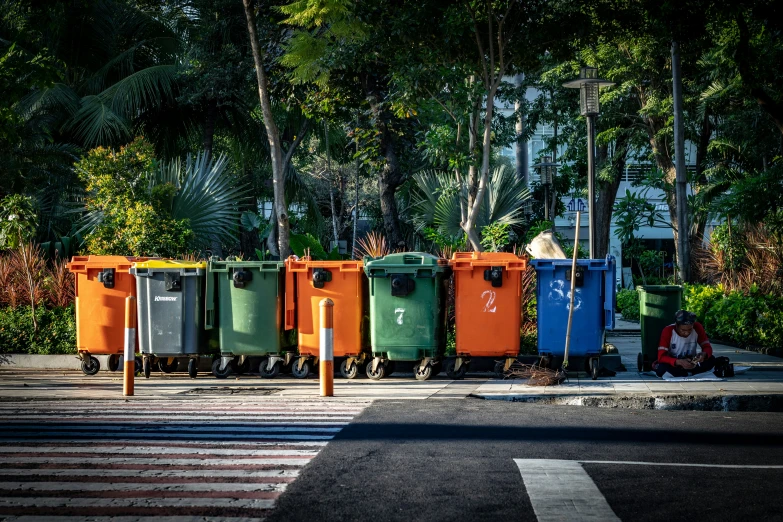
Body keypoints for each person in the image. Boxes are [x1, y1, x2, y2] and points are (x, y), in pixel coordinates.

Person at [653, 309, 716, 377]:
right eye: (683, 330)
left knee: (711, 359)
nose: (686, 333)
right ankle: (690, 373)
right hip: (675, 363)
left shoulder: (697, 327)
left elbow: (707, 347)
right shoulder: (668, 331)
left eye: (690, 329)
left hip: (692, 362)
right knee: (662, 367)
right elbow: (661, 357)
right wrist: (679, 362)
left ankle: (687, 372)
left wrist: (703, 354)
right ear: (676, 325)